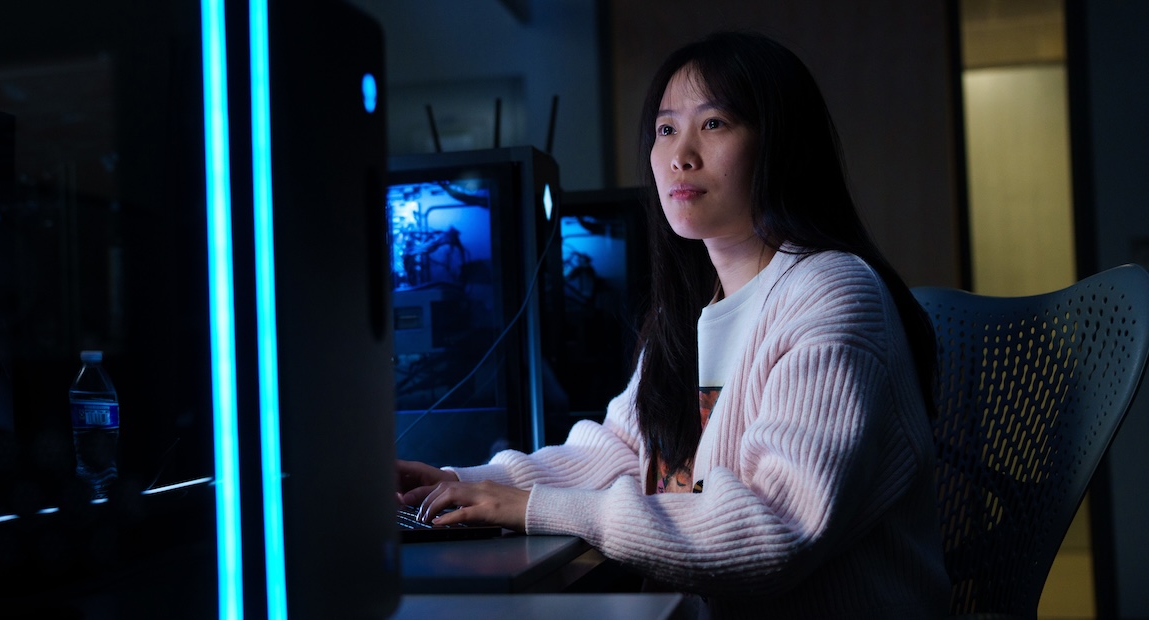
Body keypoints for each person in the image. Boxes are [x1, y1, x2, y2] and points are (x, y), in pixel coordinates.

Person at [396, 30, 951, 619]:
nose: (680, 154)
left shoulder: (832, 292)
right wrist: (458, 482)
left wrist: (531, 506)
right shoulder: (697, 307)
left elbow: (771, 530)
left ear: (782, 145)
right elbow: (619, 451)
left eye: (714, 124)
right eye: (665, 129)